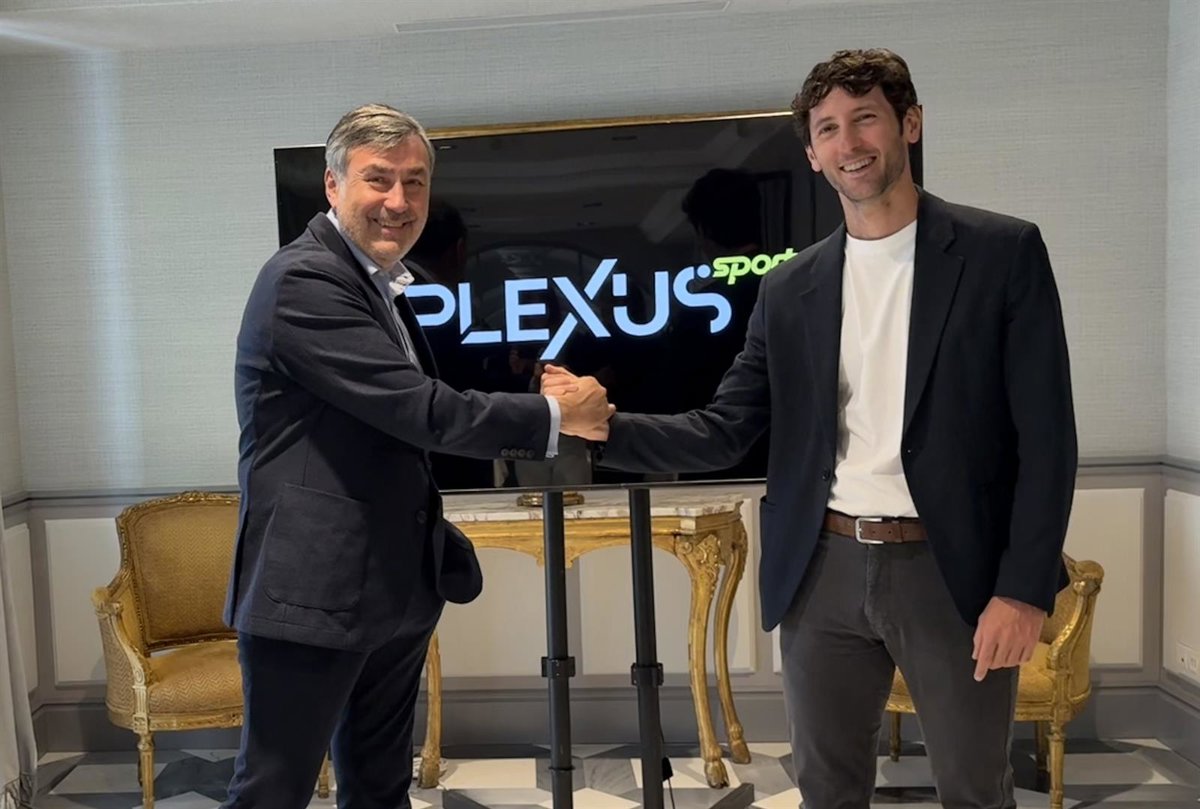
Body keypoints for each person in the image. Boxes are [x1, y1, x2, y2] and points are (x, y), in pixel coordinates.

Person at [544, 49, 1077, 809]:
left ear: (910, 124)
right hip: (821, 570)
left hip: (951, 572)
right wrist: (605, 428)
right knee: (826, 791)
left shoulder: (1001, 252)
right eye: (827, 128)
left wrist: (1021, 593)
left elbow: (1047, 439)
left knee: (974, 791)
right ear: (812, 155)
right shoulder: (791, 286)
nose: (848, 142)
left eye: (865, 119)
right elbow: (724, 429)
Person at [224, 103, 612, 809]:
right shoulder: (304, 280)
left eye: (415, 182)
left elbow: (403, 415)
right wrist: (560, 417)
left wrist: (535, 388)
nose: (399, 201)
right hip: (312, 592)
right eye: (379, 179)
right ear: (333, 184)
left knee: (380, 789)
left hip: (392, 586)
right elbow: (423, 411)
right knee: (271, 793)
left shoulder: (379, 284)